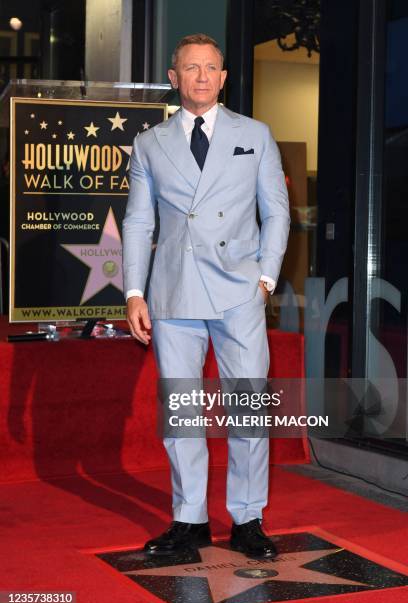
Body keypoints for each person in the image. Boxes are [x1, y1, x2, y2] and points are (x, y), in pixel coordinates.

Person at [122, 33, 290, 559]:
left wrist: (265, 278)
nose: (200, 76)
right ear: (174, 78)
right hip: (173, 291)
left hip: (239, 289)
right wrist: (133, 290)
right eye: (190, 68)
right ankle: (190, 519)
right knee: (182, 414)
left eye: (210, 68)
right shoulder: (150, 143)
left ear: (223, 78)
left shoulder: (256, 134)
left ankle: (247, 519)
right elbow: (139, 220)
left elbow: (277, 211)